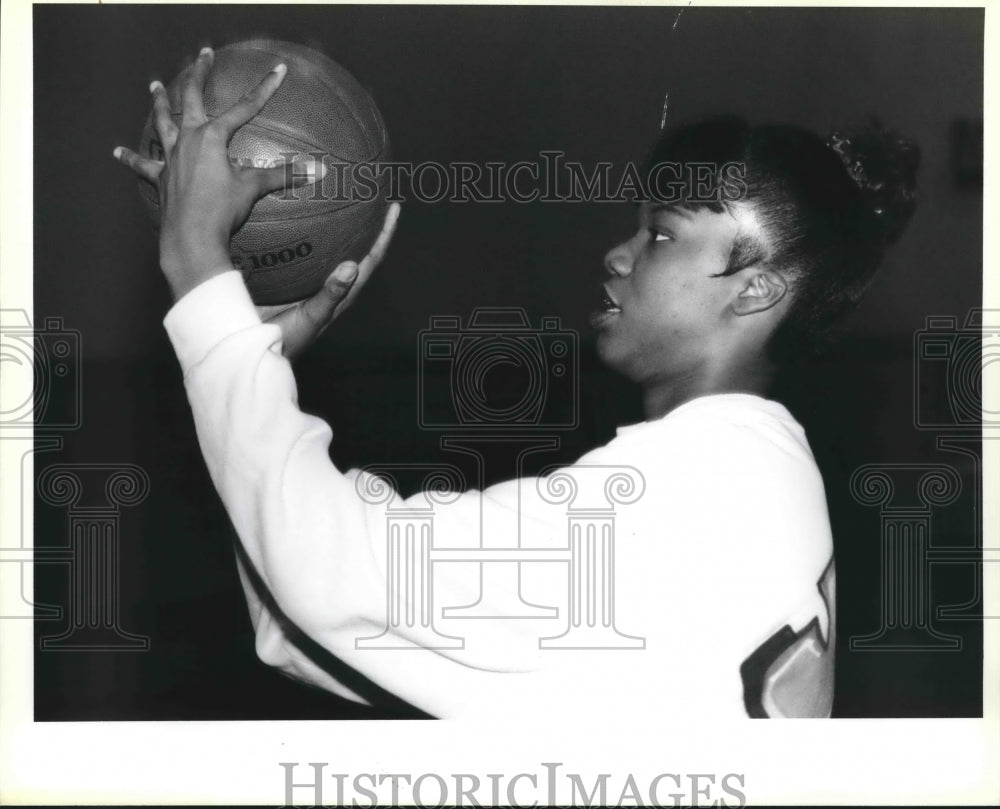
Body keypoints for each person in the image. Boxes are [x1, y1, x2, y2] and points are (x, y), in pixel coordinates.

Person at [114, 47, 919, 720]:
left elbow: (331, 569)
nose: (619, 253)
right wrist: (256, 364)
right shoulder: (768, 469)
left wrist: (201, 269)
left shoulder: (677, 499)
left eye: (664, 234)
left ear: (755, 288)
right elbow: (320, 620)